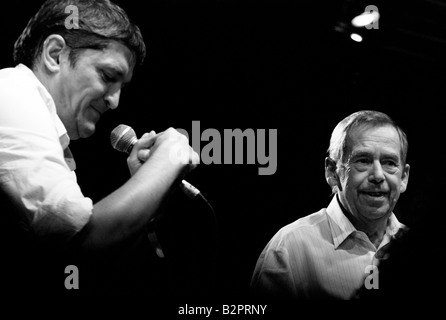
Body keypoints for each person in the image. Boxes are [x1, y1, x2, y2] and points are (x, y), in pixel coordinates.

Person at [0, 0, 199, 296]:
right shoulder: (11, 94)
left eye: (122, 87)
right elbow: (81, 245)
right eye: (107, 76)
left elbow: (95, 270)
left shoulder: (44, 127)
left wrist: (146, 186)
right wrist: (165, 163)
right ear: (55, 54)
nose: (114, 102)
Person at [251, 110, 410, 300]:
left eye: (389, 162)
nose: (377, 175)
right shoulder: (290, 248)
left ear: (404, 177)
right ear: (332, 172)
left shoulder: (422, 249)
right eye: (363, 161)